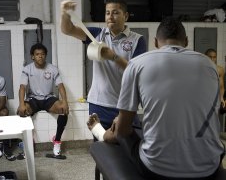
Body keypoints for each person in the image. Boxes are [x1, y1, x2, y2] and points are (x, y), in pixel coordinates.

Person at [87, 17, 225, 179]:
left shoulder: (136, 65)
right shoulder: (210, 66)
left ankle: (100, 132)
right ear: (186, 41)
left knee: (122, 124)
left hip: (158, 170)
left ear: (155, 42)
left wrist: (103, 132)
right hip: (210, 168)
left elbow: (123, 131)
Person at [61, 0, 146, 177]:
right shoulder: (97, 35)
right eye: (107, 13)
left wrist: (113, 56)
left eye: (115, 12)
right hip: (99, 102)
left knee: (129, 151)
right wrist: (65, 13)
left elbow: (136, 72)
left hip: (125, 106)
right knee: (103, 151)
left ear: (126, 16)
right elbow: (67, 29)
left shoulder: (138, 40)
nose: (110, 17)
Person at [17, 43, 69, 159]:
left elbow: (60, 86)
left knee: (63, 110)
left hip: (48, 98)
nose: (40, 56)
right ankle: (28, 144)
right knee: (21, 112)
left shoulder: (53, 69)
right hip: (33, 98)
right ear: (32, 56)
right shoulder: (27, 69)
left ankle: (56, 142)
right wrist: (21, 104)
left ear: (45, 56)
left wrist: (65, 101)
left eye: (43, 54)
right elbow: (22, 87)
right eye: (37, 54)